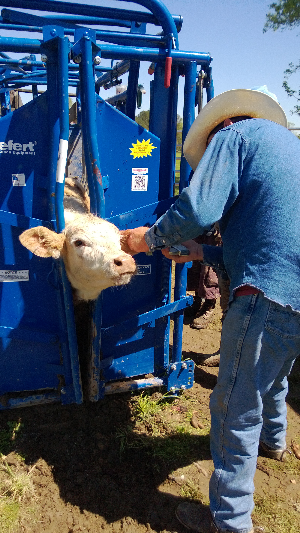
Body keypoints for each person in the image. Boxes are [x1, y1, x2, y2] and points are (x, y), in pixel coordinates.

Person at [124, 85, 300, 533]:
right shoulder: (286, 146)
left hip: (264, 296)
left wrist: (148, 239)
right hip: (294, 295)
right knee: (274, 374)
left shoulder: (233, 137)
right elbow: (266, 239)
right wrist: (201, 255)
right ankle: (275, 442)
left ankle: (230, 522)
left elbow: (198, 207)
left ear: (221, 125)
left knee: (234, 407)